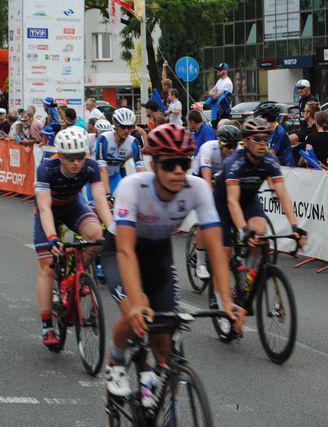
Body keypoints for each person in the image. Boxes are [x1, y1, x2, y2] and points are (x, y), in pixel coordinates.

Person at [101, 124, 245, 398]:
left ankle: (153, 390)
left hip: (158, 251)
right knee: (135, 312)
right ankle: (116, 360)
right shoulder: (133, 187)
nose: (179, 171)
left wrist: (226, 300)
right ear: (154, 165)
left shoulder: (198, 188)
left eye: (184, 162)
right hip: (121, 251)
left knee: (164, 334)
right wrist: (136, 301)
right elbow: (126, 251)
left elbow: (216, 249)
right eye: (170, 164)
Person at [33, 127, 112, 348]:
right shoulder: (46, 168)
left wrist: (113, 229)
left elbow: (100, 201)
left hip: (73, 206)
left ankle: (73, 278)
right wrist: (51, 237)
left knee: (97, 234)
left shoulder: (91, 167)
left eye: (80, 157)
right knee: (47, 266)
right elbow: (45, 208)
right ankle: (47, 324)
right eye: (70, 158)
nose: (76, 163)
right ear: (60, 155)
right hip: (49, 210)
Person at [213, 117, 307, 275]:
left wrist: (295, 226)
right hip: (225, 201)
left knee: (259, 232)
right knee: (226, 251)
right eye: (257, 138)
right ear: (246, 141)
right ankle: (220, 295)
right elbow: (232, 202)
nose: (263, 143)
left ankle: (249, 279)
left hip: (249, 199)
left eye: (266, 138)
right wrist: (243, 230)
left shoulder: (270, 160)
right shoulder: (235, 163)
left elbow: (283, 195)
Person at [191, 124, 242, 279]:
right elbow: (206, 177)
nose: (232, 150)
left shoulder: (238, 151)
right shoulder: (209, 148)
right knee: (206, 218)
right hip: (200, 177)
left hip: (220, 179)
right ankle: (200, 263)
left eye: (234, 146)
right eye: (228, 146)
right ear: (220, 142)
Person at [95, 108, 145, 201]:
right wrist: (107, 194)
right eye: (122, 126)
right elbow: (102, 169)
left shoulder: (134, 142)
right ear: (115, 125)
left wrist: (148, 189)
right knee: (98, 205)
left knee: (121, 202)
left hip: (114, 177)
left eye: (129, 127)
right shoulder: (104, 138)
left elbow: (140, 168)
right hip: (97, 177)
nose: (126, 130)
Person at [256, 102, 294, 166]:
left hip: (286, 167)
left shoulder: (279, 132)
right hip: (278, 163)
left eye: (261, 117)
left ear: (265, 118)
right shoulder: (269, 129)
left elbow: (271, 154)